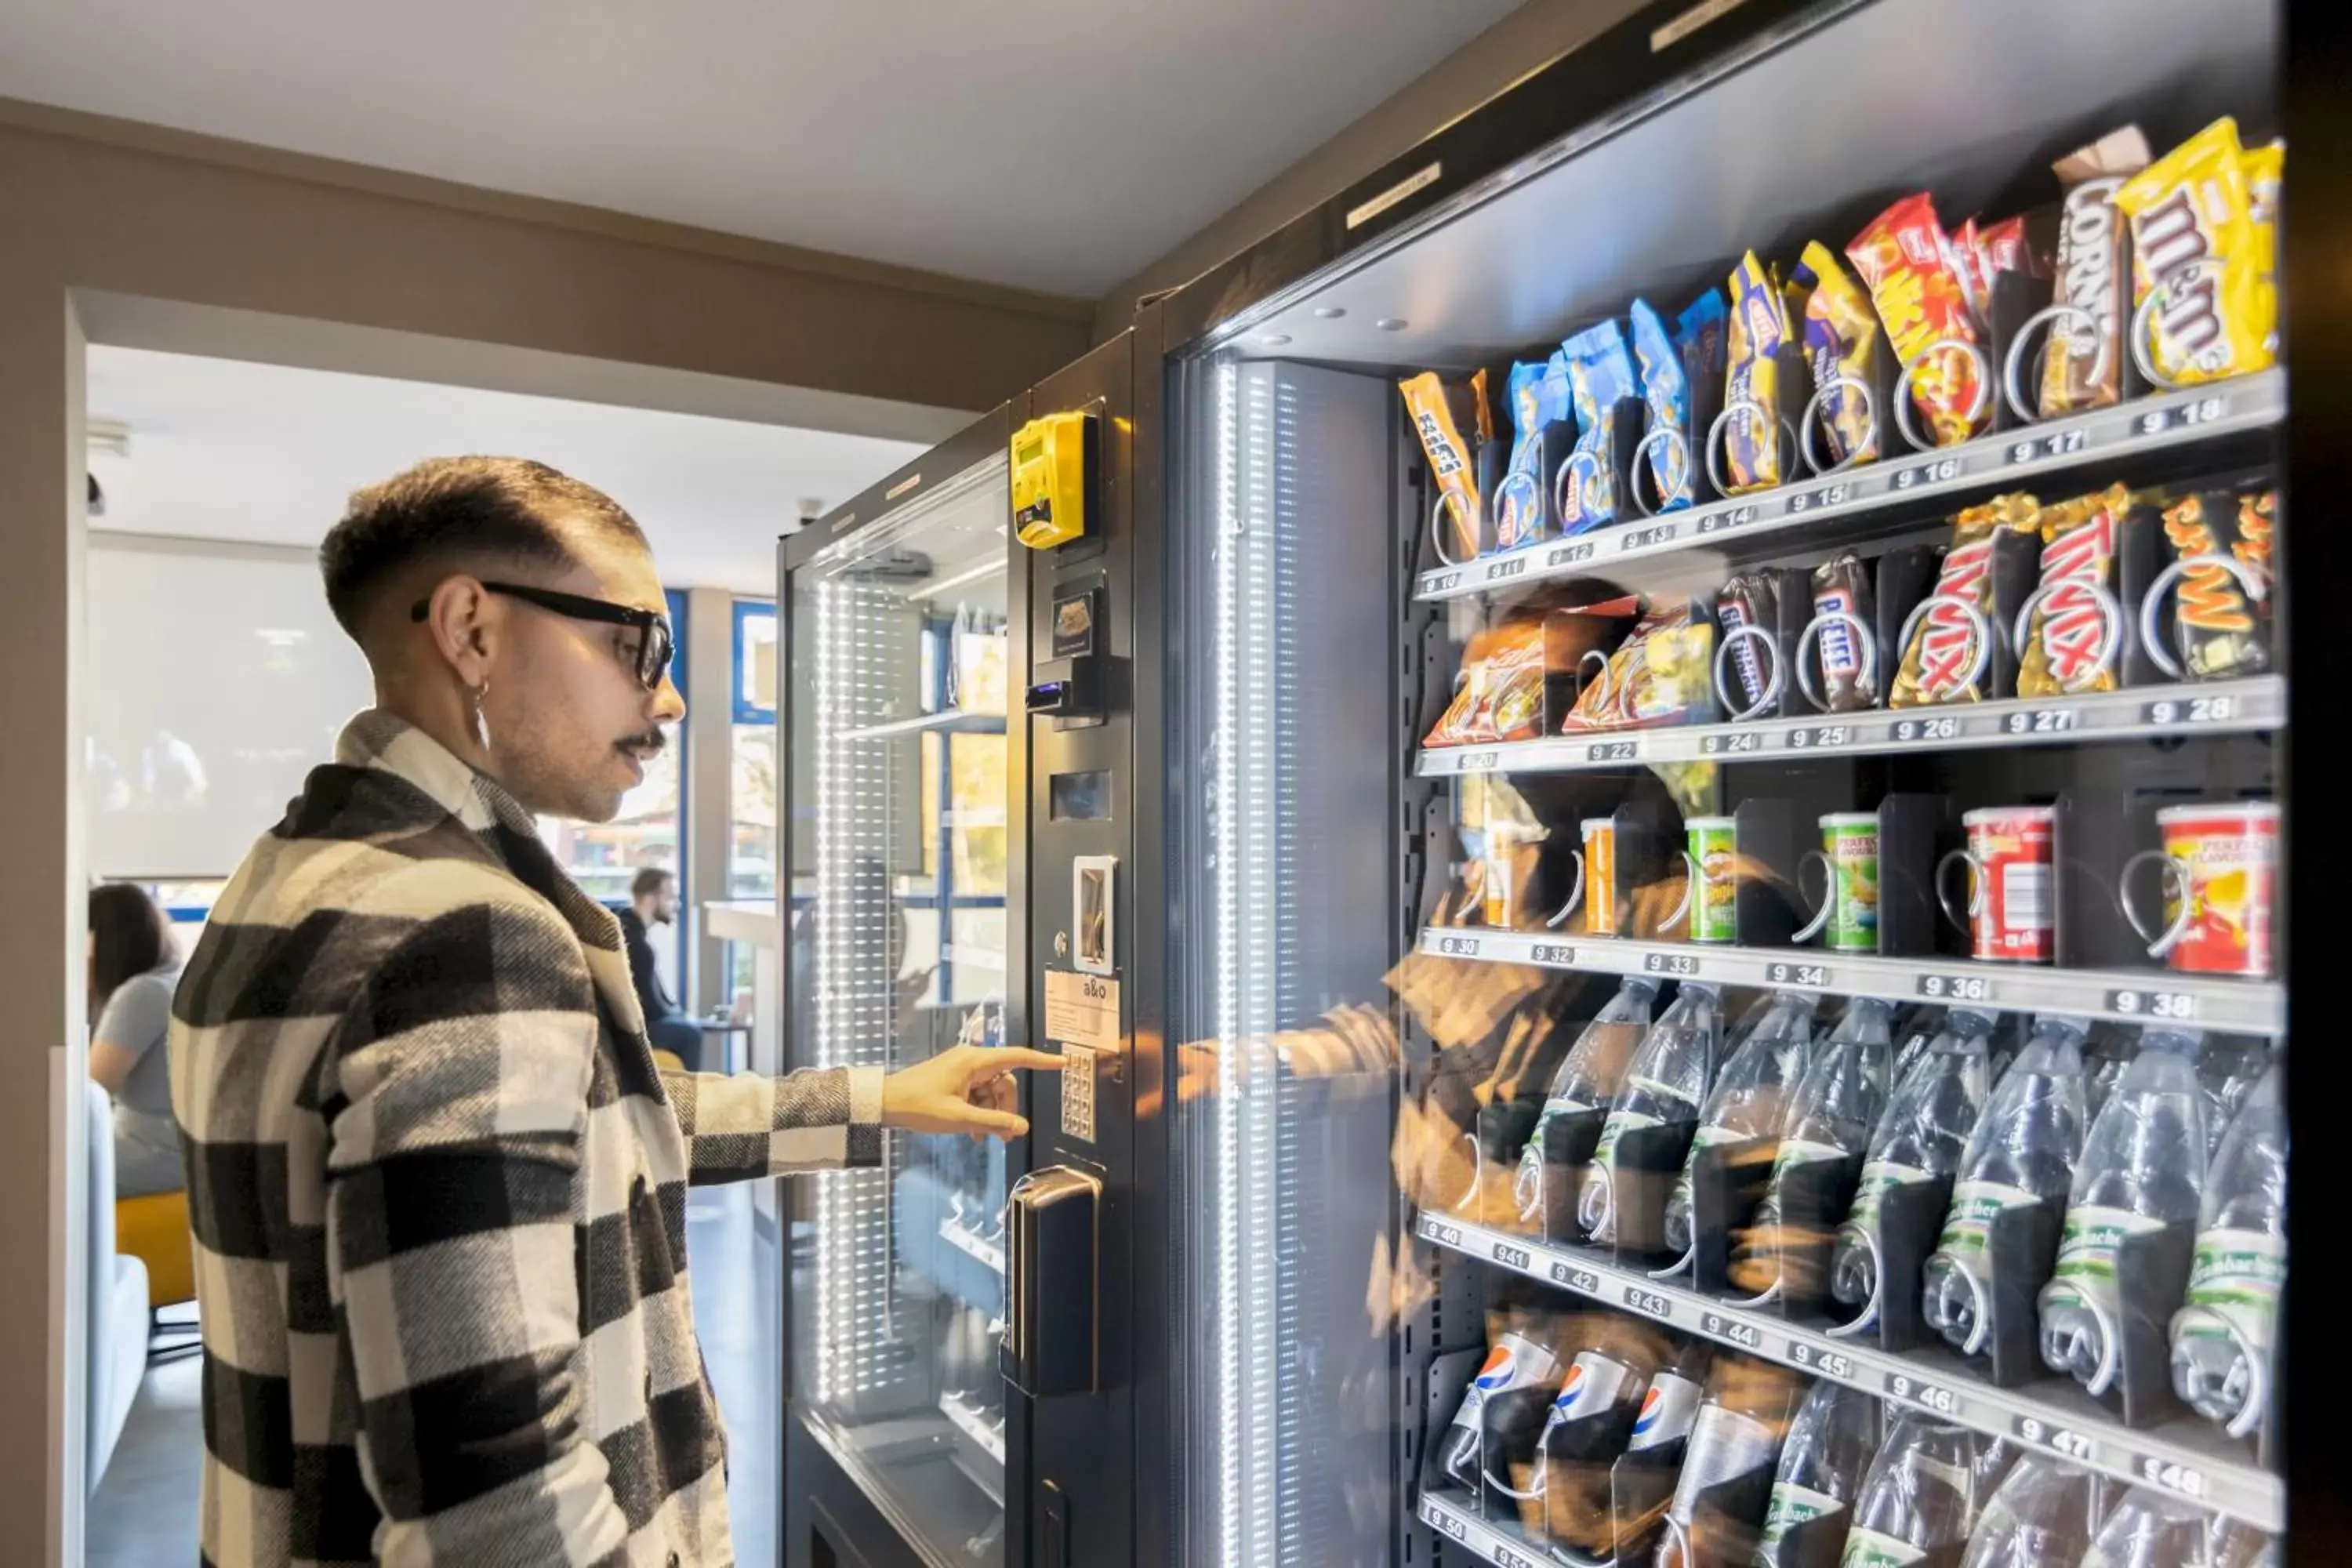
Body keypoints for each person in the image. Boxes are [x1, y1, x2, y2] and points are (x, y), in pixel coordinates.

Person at [169, 456, 1059, 1568]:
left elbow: (578, 1137)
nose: (671, 696)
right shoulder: (467, 935)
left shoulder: (286, 883)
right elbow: (495, 1506)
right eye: (638, 643)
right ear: (472, 631)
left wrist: (881, 1098)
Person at [87, 882, 185, 1196]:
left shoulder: (142, 993)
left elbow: (92, 1091)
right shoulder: (169, 980)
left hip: (153, 1150)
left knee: (39, 1168)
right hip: (170, 1146)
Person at [618, 864, 706, 1066]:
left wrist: (677, 1013)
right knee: (691, 1034)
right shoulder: (637, 945)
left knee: (684, 1023)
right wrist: (680, 1015)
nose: (676, 904)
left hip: (628, 1025)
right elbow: (652, 1008)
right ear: (651, 899)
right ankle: (686, 1096)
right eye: (671, 897)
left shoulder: (627, 929)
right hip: (631, 1031)